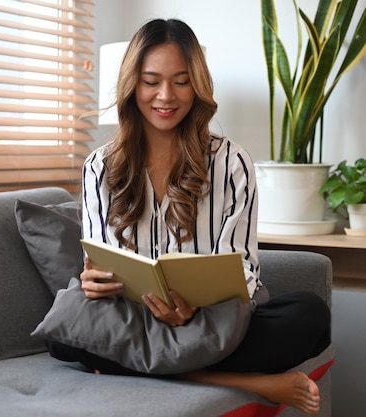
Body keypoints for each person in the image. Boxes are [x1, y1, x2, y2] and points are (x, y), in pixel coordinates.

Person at [47, 19, 331, 415]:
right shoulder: (99, 166)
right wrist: (92, 281)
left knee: (310, 316)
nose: (166, 95)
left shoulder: (231, 161)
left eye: (181, 81)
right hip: (134, 319)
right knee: (63, 333)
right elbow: (100, 259)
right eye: (151, 81)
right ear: (133, 85)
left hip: (212, 324)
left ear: (197, 85)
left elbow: (244, 269)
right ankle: (251, 381)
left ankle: (130, 366)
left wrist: (194, 310)